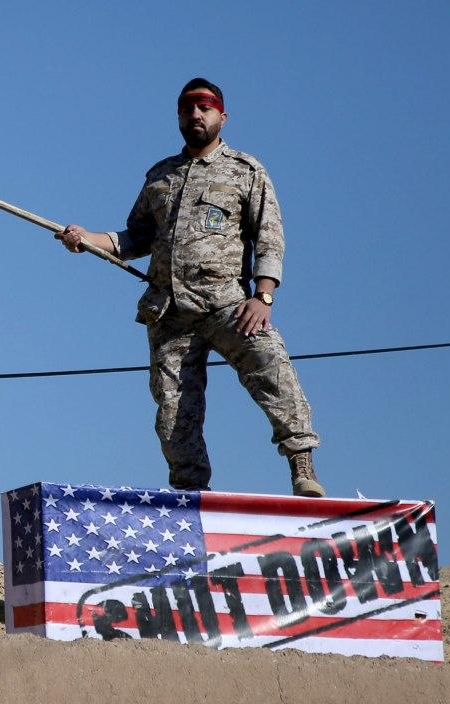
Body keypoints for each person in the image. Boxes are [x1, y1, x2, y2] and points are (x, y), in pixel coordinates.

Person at [56, 77, 324, 497]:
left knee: (273, 371)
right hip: (170, 312)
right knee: (174, 413)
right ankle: (192, 493)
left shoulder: (246, 171)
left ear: (222, 117)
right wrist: (88, 238)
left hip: (229, 304)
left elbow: (269, 237)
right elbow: (136, 238)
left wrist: (263, 295)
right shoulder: (160, 176)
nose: (195, 115)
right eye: (187, 108)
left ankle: (302, 465)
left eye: (204, 107)